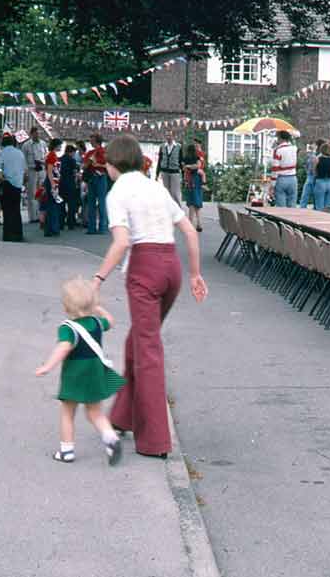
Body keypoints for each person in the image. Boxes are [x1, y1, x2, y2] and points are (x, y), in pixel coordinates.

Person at [93, 134, 208, 458]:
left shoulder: (117, 193)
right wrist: (195, 274)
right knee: (138, 343)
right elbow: (189, 231)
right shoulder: (156, 187)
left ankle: (155, 440)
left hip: (144, 269)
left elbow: (121, 243)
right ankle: (123, 416)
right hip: (171, 267)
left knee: (147, 351)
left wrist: (97, 279)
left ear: (112, 164)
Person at [35, 276, 124, 465]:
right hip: (95, 374)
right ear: (92, 303)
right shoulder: (97, 323)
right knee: (95, 412)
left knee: (68, 412)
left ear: (66, 306)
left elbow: (63, 347)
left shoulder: (68, 328)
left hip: (75, 375)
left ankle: (66, 451)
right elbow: (111, 321)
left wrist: (48, 366)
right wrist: (98, 308)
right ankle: (110, 438)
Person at [0, 134, 26, 242]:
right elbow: (25, 170)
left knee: (7, 210)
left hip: (8, 183)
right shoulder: (20, 153)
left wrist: (1, 177)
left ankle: (8, 235)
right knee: (16, 210)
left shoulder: (3, 152)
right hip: (18, 184)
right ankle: (18, 234)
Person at [83, 133, 109, 234]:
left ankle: (102, 227)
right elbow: (84, 166)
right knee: (91, 203)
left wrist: (98, 164)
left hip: (101, 177)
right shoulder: (90, 153)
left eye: (92, 140)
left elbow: (109, 165)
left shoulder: (104, 152)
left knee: (101, 202)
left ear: (96, 141)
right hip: (91, 177)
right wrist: (89, 162)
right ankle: (92, 227)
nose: (90, 142)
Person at [21, 127, 45, 224]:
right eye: (36, 133)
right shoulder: (26, 145)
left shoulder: (43, 144)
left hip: (41, 170)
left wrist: (42, 162)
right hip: (31, 170)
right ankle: (33, 217)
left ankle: (41, 215)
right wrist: (25, 173)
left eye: (38, 133)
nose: (37, 135)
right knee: (32, 194)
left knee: (41, 193)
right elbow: (23, 160)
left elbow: (46, 156)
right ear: (31, 134)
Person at [270, 130, 298, 208]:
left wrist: (272, 184)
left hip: (281, 178)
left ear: (280, 138)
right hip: (293, 178)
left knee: (281, 207)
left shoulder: (278, 150)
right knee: (292, 205)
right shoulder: (294, 148)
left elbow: (275, 169)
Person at [181, 142, 205, 232]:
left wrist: (188, 166)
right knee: (197, 201)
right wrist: (192, 166)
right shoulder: (197, 157)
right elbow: (198, 166)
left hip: (190, 180)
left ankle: (191, 223)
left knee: (191, 202)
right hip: (197, 180)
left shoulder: (185, 158)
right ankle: (199, 223)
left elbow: (183, 168)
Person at [43, 138, 64, 237]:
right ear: (56, 145)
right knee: (52, 206)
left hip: (54, 182)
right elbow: (50, 171)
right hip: (52, 182)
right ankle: (52, 228)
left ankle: (51, 228)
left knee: (52, 205)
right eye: (60, 145)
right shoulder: (51, 155)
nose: (61, 147)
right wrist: (53, 185)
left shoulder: (52, 155)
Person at [59, 143, 81, 230]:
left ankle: (61, 223)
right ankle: (70, 223)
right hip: (70, 183)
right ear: (71, 152)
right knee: (71, 205)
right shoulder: (72, 160)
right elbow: (75, 172)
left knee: (61, 204)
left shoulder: (60, 159)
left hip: (61, 183)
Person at [156, 131, 182, 205]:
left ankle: (178, 209)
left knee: (175, 193)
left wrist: (183, 173)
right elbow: (160, 160)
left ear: (173, 136)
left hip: (175, 172)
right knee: (166, 192)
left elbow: (181, 160)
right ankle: (168, 209)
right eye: (167, 135)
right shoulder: (162, 146)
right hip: (164, 171)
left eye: (170, 135)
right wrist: (157, 173)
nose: (168, 137)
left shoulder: (179, 146)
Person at [312, 142, 330, 211]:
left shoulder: (317, 159)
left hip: (320, 181)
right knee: (328, 206)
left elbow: (314, 171)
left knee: (319, 205)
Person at [297, 140, 321, 208]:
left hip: (313, 176)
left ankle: (304, 207)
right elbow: (306, 164)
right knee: (306, 194)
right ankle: (303, 207)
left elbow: (312, 166)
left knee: (309, 194)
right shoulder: (310, 155)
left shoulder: (315, 155)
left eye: (313, 144)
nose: (311, 145)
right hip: (310, 176)